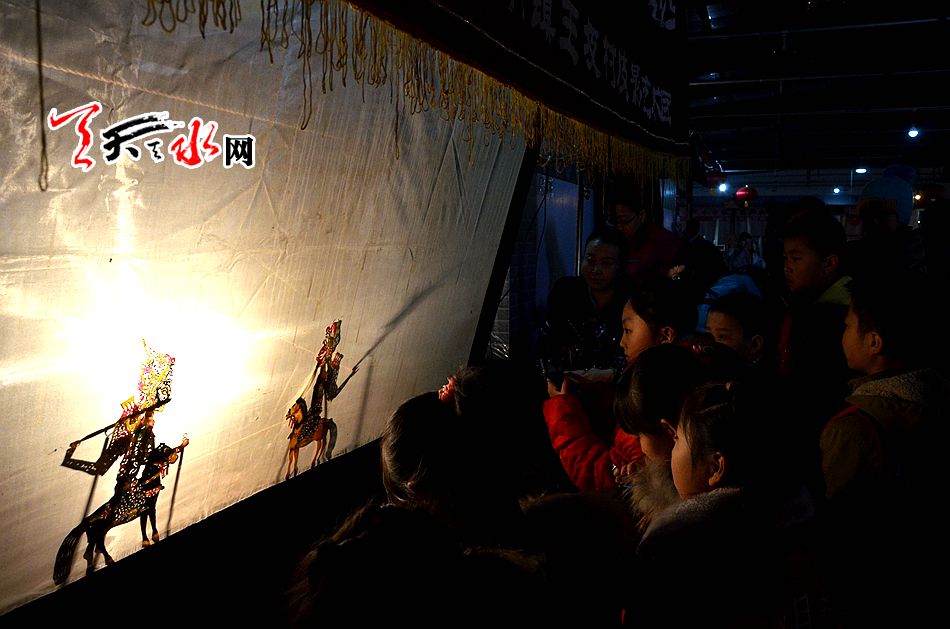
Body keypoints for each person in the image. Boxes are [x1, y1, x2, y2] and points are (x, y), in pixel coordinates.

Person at [817, 272, 948, 627]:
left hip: (875, 589)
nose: (842, 333)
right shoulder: (935, 394)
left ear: (874, 342)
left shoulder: (854, 427)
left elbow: (840, 528)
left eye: (848, 326)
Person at [543, 277, 699, 492]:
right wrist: (602, 397)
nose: (621, 342)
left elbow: (602, 474)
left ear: (665, 335)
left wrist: (563, 412)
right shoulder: (691, 368)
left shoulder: (651, 394)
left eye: (628, 331)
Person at [776, 201, 858, 434]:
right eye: (785, 258)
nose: (787, 268)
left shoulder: (842, 316)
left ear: (829, 263)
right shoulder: (804, 304)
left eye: (796, 259)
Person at [537, 229, 630, 375]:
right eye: (590, 260)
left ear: (621, 267)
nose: (596, 270)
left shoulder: (631, 299)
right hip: (568, 378)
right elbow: (549, 343)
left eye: (606, 263)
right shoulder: (565, 291)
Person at [608, 190, 684, 291]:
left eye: (624, 220)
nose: (619, 227)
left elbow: (675, 279)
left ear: (641, 215)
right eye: (615, 221)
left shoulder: (663, 241)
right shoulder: (614, 240)